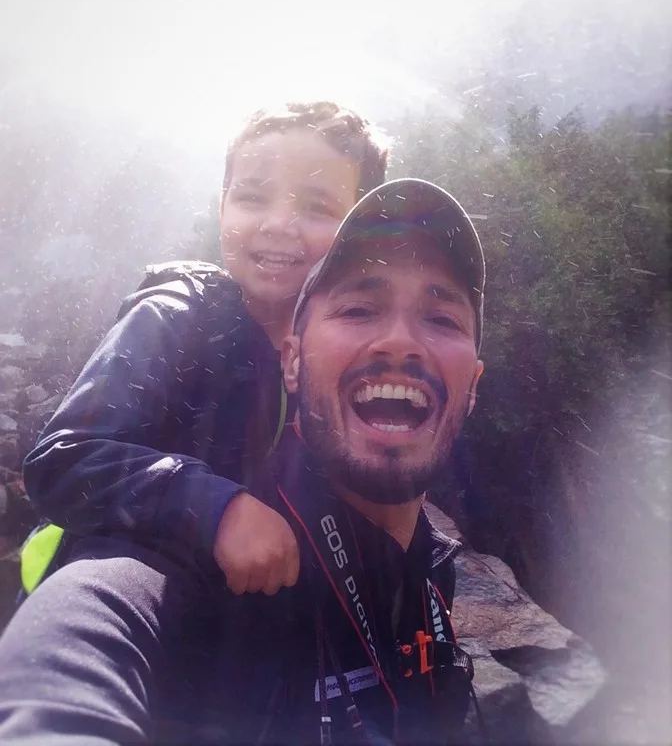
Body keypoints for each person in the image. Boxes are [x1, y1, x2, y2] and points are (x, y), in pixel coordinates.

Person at [0, 178, 486, 745]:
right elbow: (89, 630)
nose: (400, 342)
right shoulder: (214, 560)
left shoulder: (431, 570)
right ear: (293, 362)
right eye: (358, 309)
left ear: (473, 385)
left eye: (443, 320)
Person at [20, 100, 388, 599]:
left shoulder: (340, 345)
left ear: (359, 231)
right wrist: (217, 508)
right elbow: (63, 459)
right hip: (109, 605)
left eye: (317, 207)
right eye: (253, 198)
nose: (278, 223)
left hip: (238, 624)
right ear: (222, 208)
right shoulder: (178, 316)